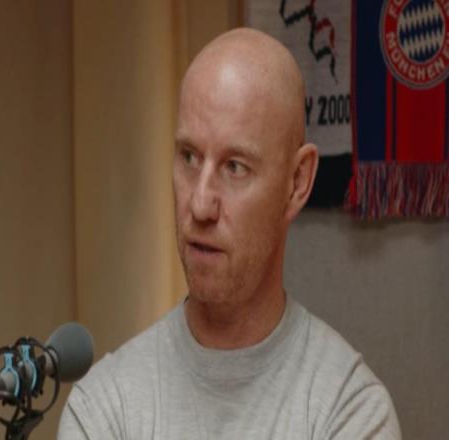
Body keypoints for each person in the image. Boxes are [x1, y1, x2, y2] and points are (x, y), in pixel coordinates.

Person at [57, 28, 401, 439]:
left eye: (235, 167)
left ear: (297, 182)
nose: (200, 205)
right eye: (189, 157)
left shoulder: (350, 409)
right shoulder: (104, 406)